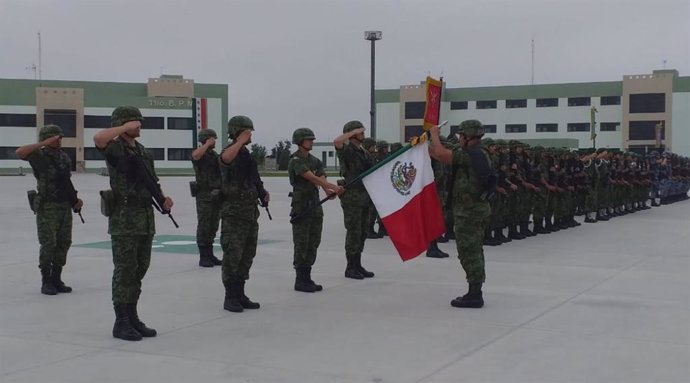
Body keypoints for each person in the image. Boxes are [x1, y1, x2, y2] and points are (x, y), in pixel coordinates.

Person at [94, 106, 173, 341]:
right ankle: (121, 322)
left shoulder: (142, 151)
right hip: (124, 218)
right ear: (124, 124)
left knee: (139, 269)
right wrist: (122, 128)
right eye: (135, 122)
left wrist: (163, 199)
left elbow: (150, 181)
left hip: (144, 217)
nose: (139, 125)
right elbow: (98, 138)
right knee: (125, 270)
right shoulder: (115, 147)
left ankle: (132, 316)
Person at [429, 120, 493, 308]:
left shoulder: (471, 154)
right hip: (476, 210)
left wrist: (434, 133)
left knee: (469, 252)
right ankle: (475, 289)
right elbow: (441, 155)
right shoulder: (480, 152)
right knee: (474, 250)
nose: (459, 138)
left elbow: (442, 154)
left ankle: (475, 294)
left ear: (467, 137)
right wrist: (424, 147)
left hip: (469, 212)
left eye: (460, 136)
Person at [16, 125, 83, 295]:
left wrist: (75, 200)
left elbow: (66, 182)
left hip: (64, 206)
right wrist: (43, 143)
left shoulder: (64, 157)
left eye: (60, 137)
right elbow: (20, 152)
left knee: (64, 243)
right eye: (55, 137)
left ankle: (56, 278)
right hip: (48, 206)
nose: (59, 140)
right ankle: (46, 280)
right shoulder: (39, 156)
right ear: (47, 139)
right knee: (48, 243)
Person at [219, 115, 268, 312]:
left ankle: (240, 293)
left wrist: (262, 193)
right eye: (247, 131)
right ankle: (230, 296)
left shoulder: (246, 154)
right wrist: (239, 141)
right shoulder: (230, 150)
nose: (250, 135)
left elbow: (254, 177)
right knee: (233, 254)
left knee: (247, 254)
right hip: (234, 214)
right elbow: (225, 159)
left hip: (249, 213)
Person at [288, 128, 344, 292]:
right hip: (302, 207)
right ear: (300, 141)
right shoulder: (296, 160)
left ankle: (307, 277)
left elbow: (320, 177)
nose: (311, 142)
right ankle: (300, 279)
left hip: (315, 206)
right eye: (308, 139)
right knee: (302, 243)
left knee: (313, 242)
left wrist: (328, 191)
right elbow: (310, 177)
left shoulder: (314, 160)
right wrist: (333, 186)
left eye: (312, 139)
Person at [334, 120, 376, 280]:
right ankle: (350, 267)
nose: (363, 132)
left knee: (363, 231)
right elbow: (337, 141)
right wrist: (352, 132)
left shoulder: (363, 151)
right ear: (351, 133)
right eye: (360, 130)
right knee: (354, 231)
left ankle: (358, 264)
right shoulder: (347, 150)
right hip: (352, 197)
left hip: (365, 196)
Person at [191, 129, 223, 267]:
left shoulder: (214, 155)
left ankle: (210, 254)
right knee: (204, 225)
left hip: (216, 195)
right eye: (213, 139)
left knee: (213, 226)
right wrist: (206, 144)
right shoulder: (200, 154)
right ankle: (203, 256)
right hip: (204, 195)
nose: (215, 141)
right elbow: (195, 156)